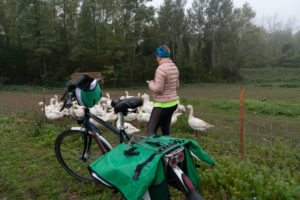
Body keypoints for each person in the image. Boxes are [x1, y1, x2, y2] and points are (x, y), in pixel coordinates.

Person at [147, 45, 179, 136]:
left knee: (151, 131)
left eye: (156, 56)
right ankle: (169, 149)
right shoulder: (174, 67)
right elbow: (177, 85)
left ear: (160, 56)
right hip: (173, 103)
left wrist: (150, 83)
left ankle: (155, 149)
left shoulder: (161, 69)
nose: (156, 58)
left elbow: (158, 89)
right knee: (165, 129)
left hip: (162, 105)